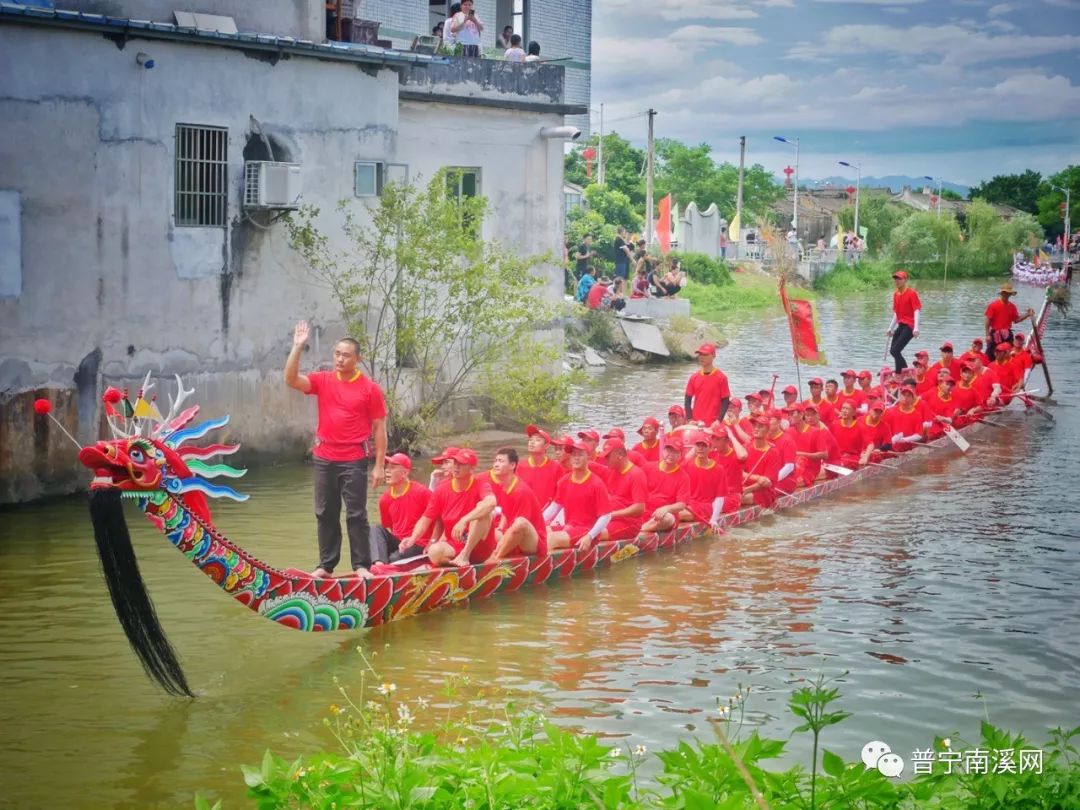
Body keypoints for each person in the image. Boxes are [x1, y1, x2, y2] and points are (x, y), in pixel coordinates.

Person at [285, 321, 387, 579]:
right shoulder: (323, 380)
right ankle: (326, 565)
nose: (340, 359)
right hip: (324, 457)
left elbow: (379, 427)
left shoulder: (369, 389)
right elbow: (291, 380)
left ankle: (361, 565)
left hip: (354, 458)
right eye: (337, 354)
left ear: (358, 359)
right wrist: (297, 347)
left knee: (356, 514)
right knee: (325, 512)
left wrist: (379, 465)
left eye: (346, 355)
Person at [406, 447, 497, 567]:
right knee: (434, 551)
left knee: (482, 510)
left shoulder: (481, 484)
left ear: (472, 468)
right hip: (455, 545)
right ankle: (455, 565)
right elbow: (425, 519)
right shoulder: (441, 490)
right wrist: (412, 539)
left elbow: (491, 502)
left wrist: (464, 520)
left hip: (479, 546)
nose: (456, 467)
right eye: (455, 463)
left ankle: (465, 556)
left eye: (462, 464)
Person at [544, 441, 612, 553]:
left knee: (551, 538)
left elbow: (606, 516)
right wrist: (537, 523)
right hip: (569, 527)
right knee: (542, 531)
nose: (576, 458)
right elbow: (555, 507)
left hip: (587, 530)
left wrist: (590, 536)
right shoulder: (564, 481)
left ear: (588, 457)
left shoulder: (597, 484)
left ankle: (540, 566)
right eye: (573, 455)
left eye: (580, 455)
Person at [486, 447, 548, 562]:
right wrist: (499, 528)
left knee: (520, 523)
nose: (496, 464)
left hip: (531, 541)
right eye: (495, 461)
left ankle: (496, 559)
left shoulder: (521, 491)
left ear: (512, 465)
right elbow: (506, 513)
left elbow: (519, 527)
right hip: (512, 534)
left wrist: (499, 548)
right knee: (485, 526)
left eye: (501, 461)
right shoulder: (505, 486)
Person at [372, 453, 431, 564]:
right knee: (375, 529)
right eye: (387, 467)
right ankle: (379, 564)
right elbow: (389, 527)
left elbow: (437, 518)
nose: (387, 471)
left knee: (395, 559)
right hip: (399, 543)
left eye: (392, 468)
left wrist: (432, 542)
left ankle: (386, 565)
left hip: (419, 543)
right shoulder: (385, 499)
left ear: (405, 473)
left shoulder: (421, 492)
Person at [595, 439, 648, 540]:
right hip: (610, 519)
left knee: (592, 535)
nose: (605, 460)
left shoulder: (636, 475)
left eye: (608, 456)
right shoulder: (613, 471)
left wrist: (611, 515)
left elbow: (640, 508)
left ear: (620, 454)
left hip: (628, 524)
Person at [640, 436, 691, 532]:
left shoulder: (683, 477)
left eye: (675, 452)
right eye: (669, 450)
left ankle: (641, 530)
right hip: (644, 511)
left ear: (681, 455)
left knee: (668, 519)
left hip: (663, 515)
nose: (671, 455)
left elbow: (682, 504)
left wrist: (666, 508)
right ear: (663, 451)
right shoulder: (647, 467)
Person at [515, 425, 564, 508]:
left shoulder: (556, 467)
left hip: (548, 514)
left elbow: (560, 494)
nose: (532, 442)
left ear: (546, 446)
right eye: (530, 440)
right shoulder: (520, 467)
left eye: (537, 440)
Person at [684, 342, 731, 424]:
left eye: (705, 355)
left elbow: (725, 401)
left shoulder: (721, 378)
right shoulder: (694, 378)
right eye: (700, 354)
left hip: (713, 423)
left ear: (713, 356)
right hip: (696, 422)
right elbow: (687, 400)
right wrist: (689, 419)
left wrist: (718, 420)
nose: (702, 357)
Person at [886, 270, 921, 372]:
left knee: (896, 350)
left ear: (905, 280)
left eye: (899, 279)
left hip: (909, 326)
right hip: (901, 325)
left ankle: (903, 371)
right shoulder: (896, 294)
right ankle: (900, 372)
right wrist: (890, 327)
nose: (897, 281)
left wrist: (916, 328)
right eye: (896, 279)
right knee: (893, 351)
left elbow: (916, 310)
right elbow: (897, 313)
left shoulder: (911, 293)